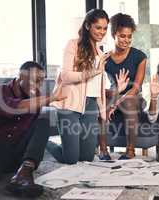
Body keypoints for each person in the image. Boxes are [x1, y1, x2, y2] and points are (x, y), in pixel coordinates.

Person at [46, 9, 129, 164]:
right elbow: (66, 76)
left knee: (86, 158)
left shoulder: (99, 52)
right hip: (69, 104)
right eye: (98, 27)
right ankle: (43, 141)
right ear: (87, 26)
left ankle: (69, 147)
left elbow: (97, 87)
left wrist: (115, 93)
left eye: (105, 28)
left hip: (90, 106)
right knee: (70, 159)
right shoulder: (73, 45)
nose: (102, 32)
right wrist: (94, 71)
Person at [0, 61, 65, 199]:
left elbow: (33, 133)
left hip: (18, 156)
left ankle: (24, 173)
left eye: (41, 81)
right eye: (34, 80)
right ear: (20, 77)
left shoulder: (36, 97)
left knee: (43, 123)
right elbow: (12, 108)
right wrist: (51, 97)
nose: (38, 85)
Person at [98, 13, 147, 160]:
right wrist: (110, 96)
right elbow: (98, 86)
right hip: (114, 93)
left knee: (128, 102)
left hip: (133, 97)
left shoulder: (140, 57)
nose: (126, 40)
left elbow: (136, 88)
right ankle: (103, 150)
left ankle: (130, 150)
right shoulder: (104, 58)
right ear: (114, 35)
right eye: (122, 36)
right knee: (101, 104)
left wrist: (117, 102)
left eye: (129, 36)